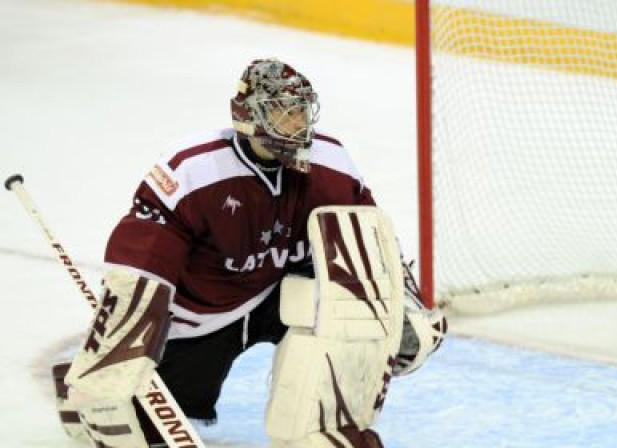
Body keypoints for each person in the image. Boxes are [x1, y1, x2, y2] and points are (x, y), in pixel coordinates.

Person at [53, 58, 446, 448]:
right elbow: (143, 266)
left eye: (301, 111)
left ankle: (322, 429)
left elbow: (370, 246)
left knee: (344, 309)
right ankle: (87, 396)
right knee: (153, 424)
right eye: (283, 112)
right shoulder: (193, 169)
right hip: (201, 315)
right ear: (248, 114)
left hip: (281, 296)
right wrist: (118, 347)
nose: (298, 123)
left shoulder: (332, 164)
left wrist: (401, 309)